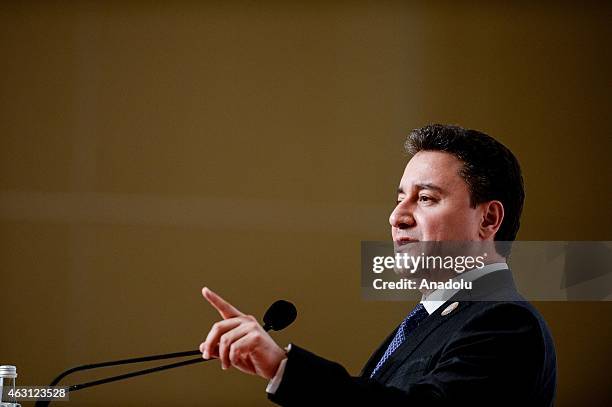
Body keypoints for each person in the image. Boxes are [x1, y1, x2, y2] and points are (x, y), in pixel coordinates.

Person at [199, 124, 557, 406]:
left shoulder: (506, 322)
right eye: (400, 198)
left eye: (426, 198)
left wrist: (284, 368)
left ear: (489, 219)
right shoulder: (432, 319)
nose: (397, 216)